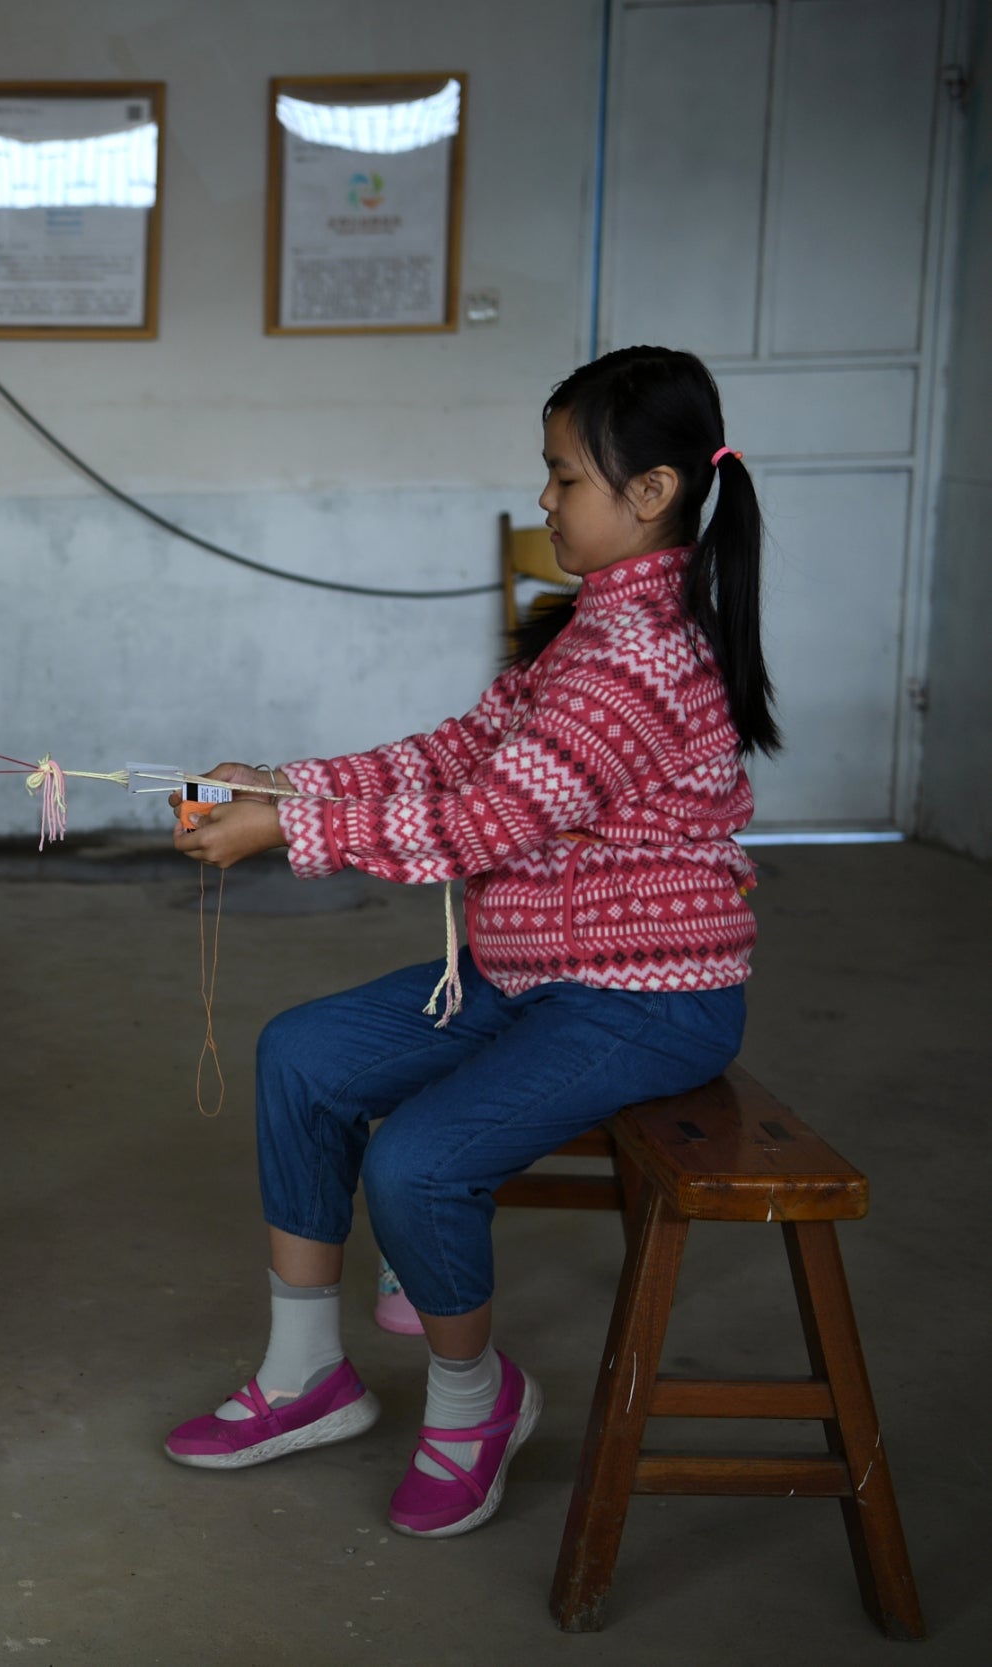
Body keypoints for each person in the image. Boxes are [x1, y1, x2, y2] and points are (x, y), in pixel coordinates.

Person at [160, 346, 776, 1539]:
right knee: (303, 1054)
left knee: (419, 1164)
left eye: (561, 477)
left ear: (647, 492)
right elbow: (454, 754)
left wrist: (285, 826)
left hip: (645, 999)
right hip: (530, 972)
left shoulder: (640, 659)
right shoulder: (579, 632)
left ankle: (470, 1400)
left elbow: (480, 821)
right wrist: (285, 778)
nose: (543, 499)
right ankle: (306, 1377)